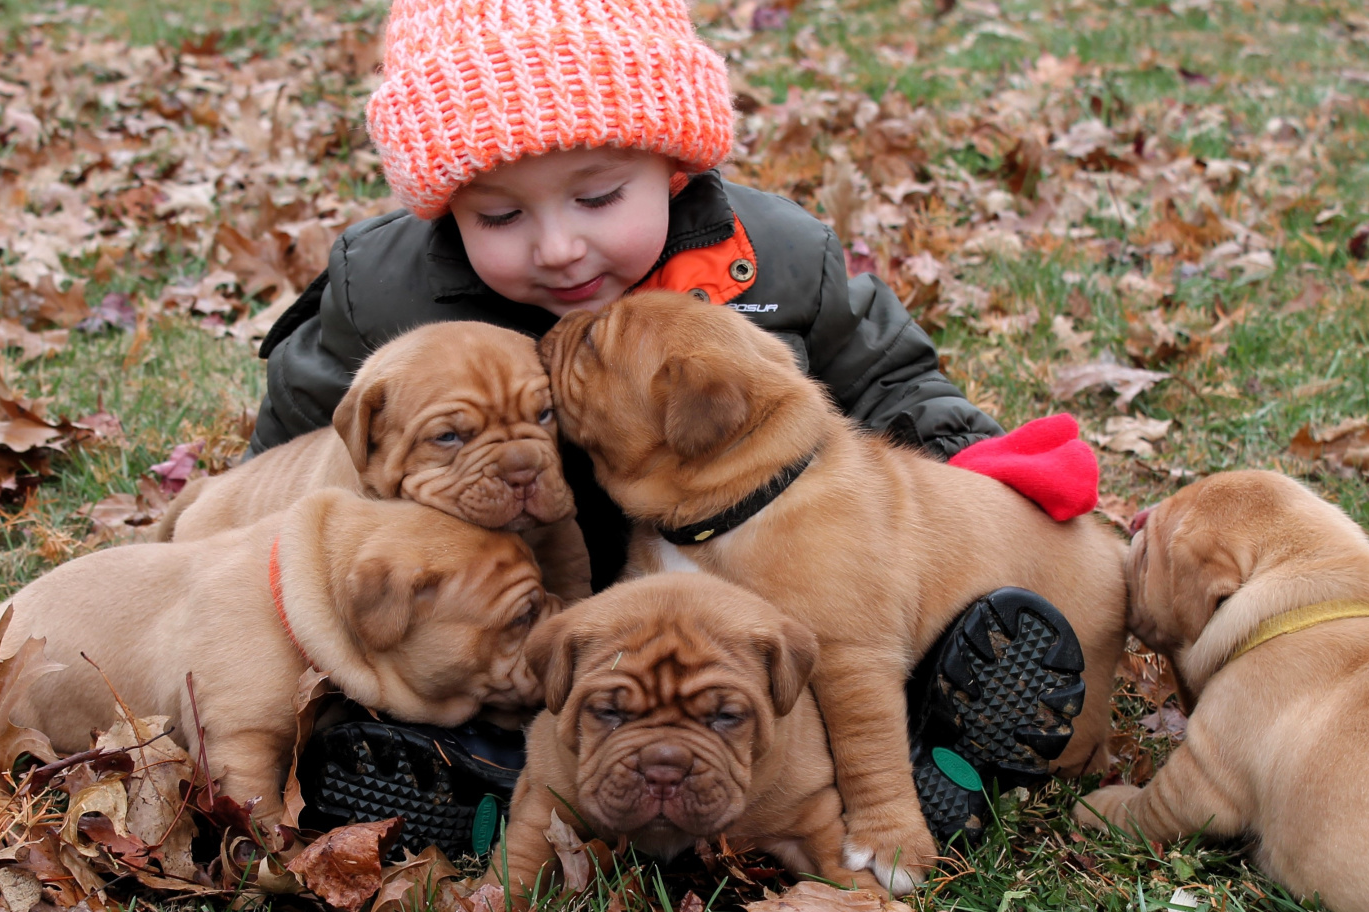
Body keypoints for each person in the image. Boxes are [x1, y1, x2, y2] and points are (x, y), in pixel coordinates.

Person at [251, 0, 1100, 854]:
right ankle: (458, 762)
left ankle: (922, 739)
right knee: (463, 654)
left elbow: (888, 375)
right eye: (499, 217)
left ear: (675, 166)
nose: (556, 248)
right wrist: (265, 558)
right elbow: (295, 443)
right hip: (524, 587)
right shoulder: (386, 292)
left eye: (598, 196)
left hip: (740, 607)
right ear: (442, 211)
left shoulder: (776, 258)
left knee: (844, 651)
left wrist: (967, 453)